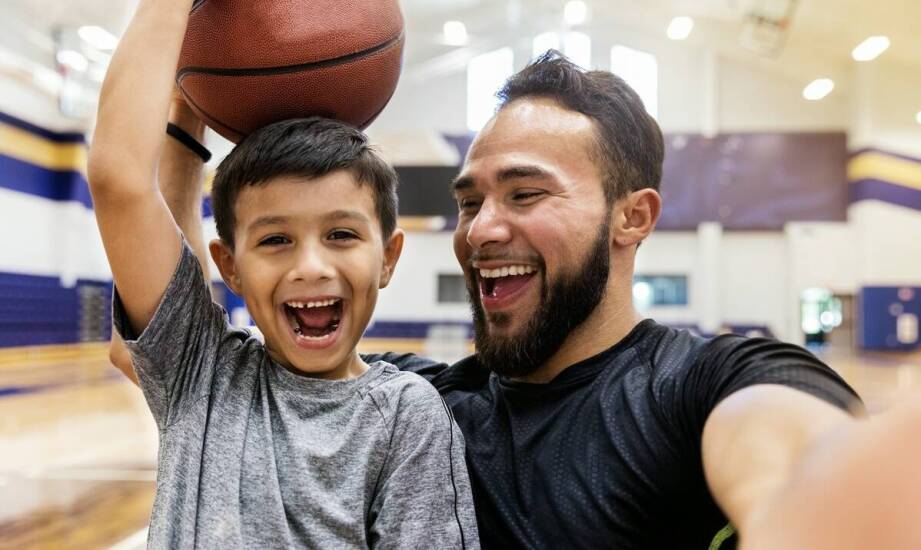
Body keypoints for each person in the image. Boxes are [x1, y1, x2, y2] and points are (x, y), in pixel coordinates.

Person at [110, 47, 921, 549]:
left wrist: (812, 503)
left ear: (632, 217)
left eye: (525, 194)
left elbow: (789, 453)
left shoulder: (699, 384)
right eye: (469, 201)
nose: (482, 228)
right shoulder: (415, 401)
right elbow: (176, 329)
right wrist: (190, 125)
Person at [88, 0, 478, 547]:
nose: (310, 267)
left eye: (341, 235)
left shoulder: (406, 416)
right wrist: (187, 105)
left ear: (388, 257)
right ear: (230, 266)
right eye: (275, 240)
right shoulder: (203, 374)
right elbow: (120, 178)